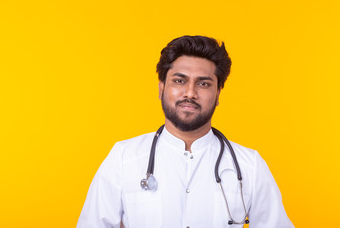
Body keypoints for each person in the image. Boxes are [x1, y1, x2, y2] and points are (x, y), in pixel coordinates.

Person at [77, 35, 294, 228]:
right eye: (179, 81)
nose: (190, 93)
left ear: (218, 93)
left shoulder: (249, 166)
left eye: (204, 84)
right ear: (161, 88)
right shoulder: (123, 158)